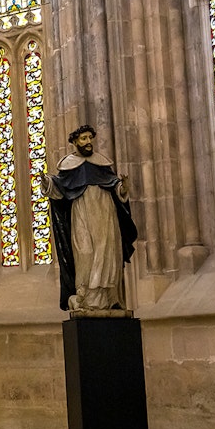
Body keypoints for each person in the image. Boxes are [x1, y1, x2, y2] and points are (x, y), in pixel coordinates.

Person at [43, 125, 137, 311]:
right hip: (82, 213)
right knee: (84, 252)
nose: (88, 142)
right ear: (75, 141)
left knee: (108, 253)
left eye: (89, 138)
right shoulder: (68, 164)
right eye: (83, 139)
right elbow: (61, 189)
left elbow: (115, 187)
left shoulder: (101, 164)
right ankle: (84, 295)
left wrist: (123, 187)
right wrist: (48, 183)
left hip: (105, 214)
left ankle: (110, 298)